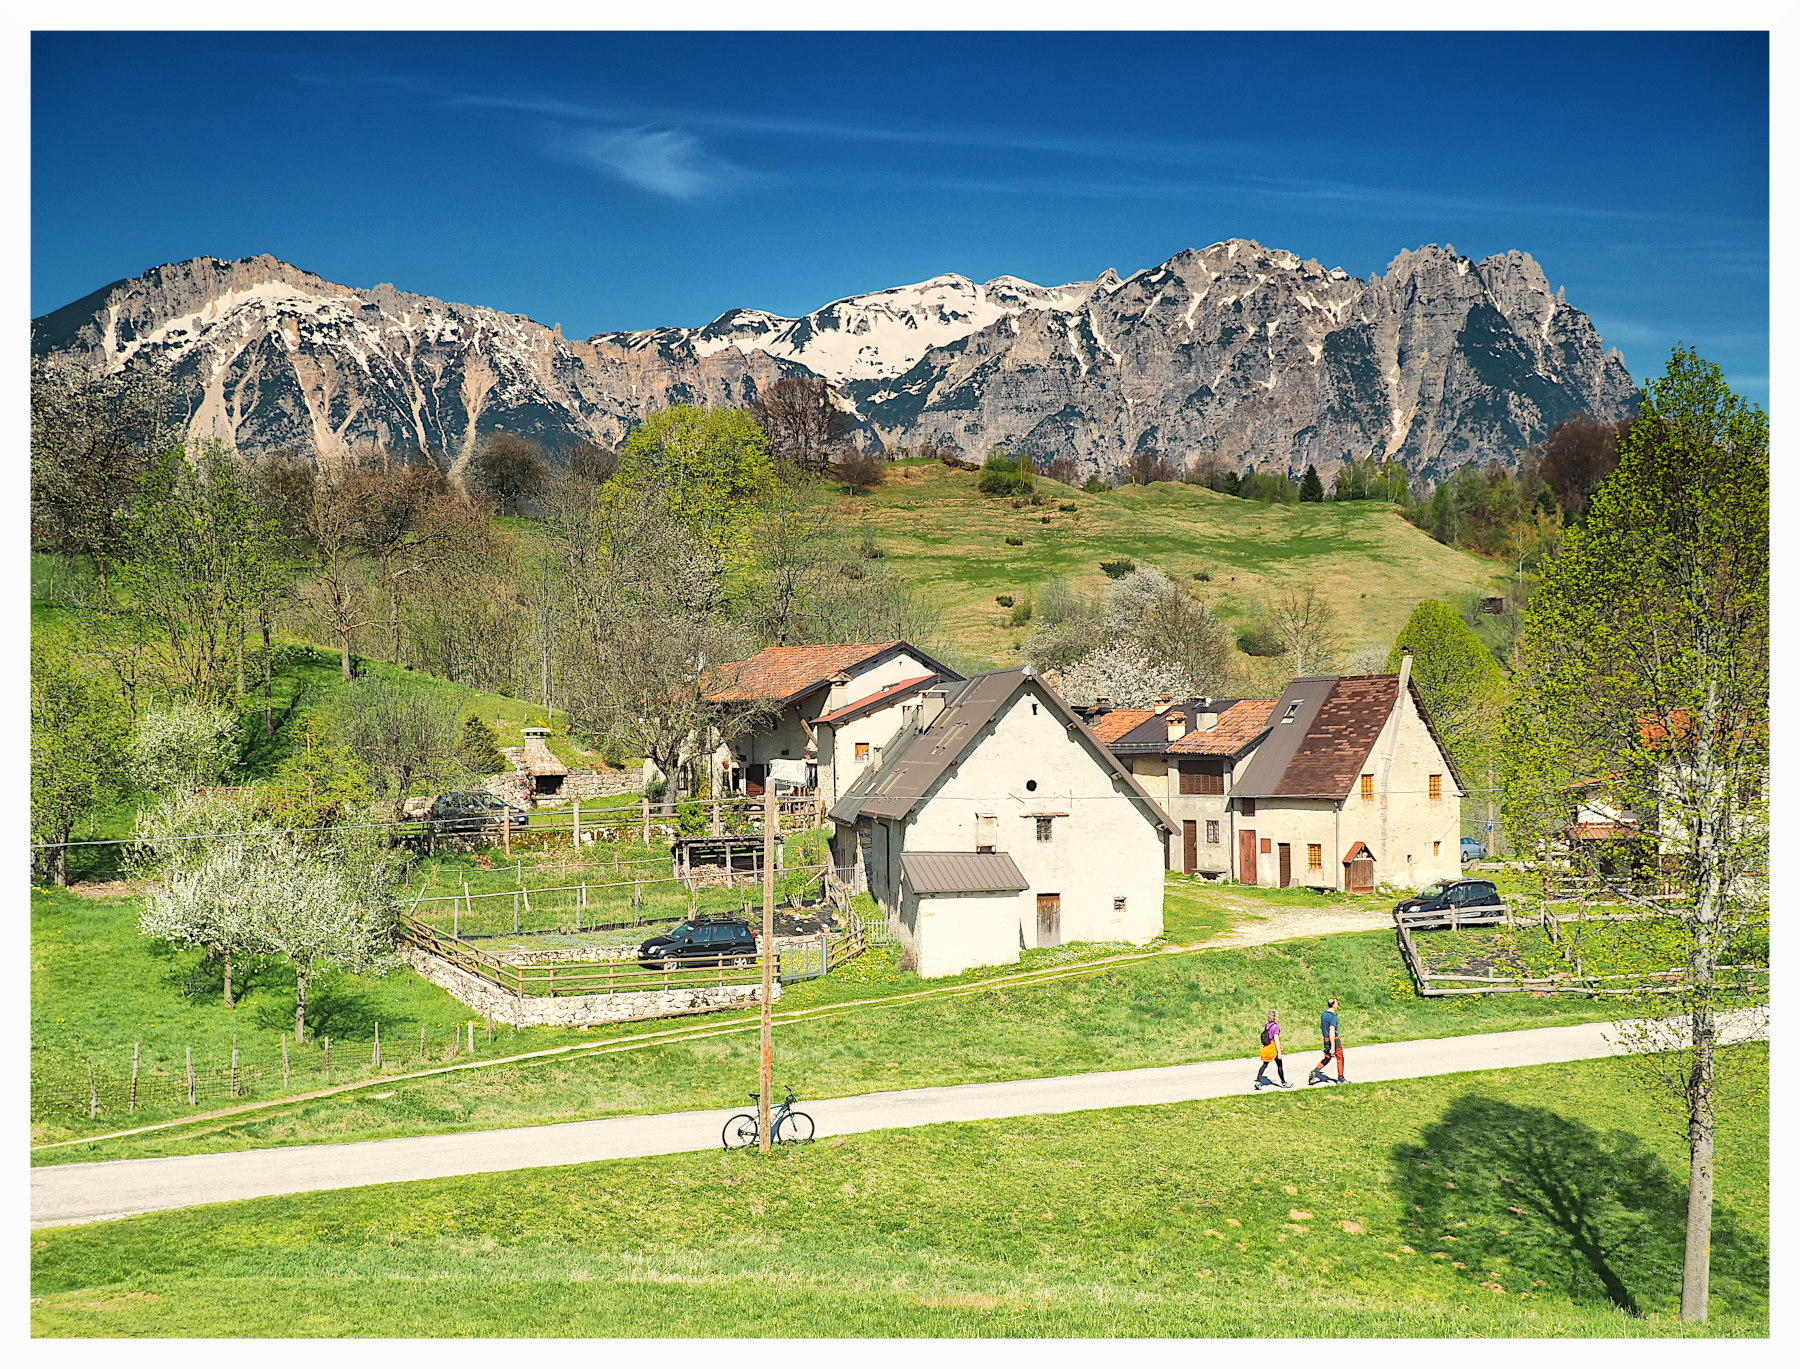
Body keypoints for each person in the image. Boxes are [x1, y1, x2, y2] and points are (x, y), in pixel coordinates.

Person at [1311, 997, 1347, 1084]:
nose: (1338, 1005)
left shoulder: (1323, 1014)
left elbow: (1322, 1026)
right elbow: (1332, 1031)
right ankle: (1341, 1078)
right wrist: (1333, 1046)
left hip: (1325, 1039)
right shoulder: (1333, 1016)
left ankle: (1315, 1071)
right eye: (1337, 1003)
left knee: (1327, 1057)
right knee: (1340, 1058)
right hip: (1334, 1039)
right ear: (1334, 1005)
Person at [1253, 1008, 1290, 1089]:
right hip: (1273, 1048)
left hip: (1267, 1046)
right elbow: (1276, 1039)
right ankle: (1283, 1083)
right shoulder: (1276, 1026)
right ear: (1276, 1017)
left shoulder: (1267, 1025)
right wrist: (1279, 1052)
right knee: (1279, 1065)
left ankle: (1258, 1081)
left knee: (1265, 1064)